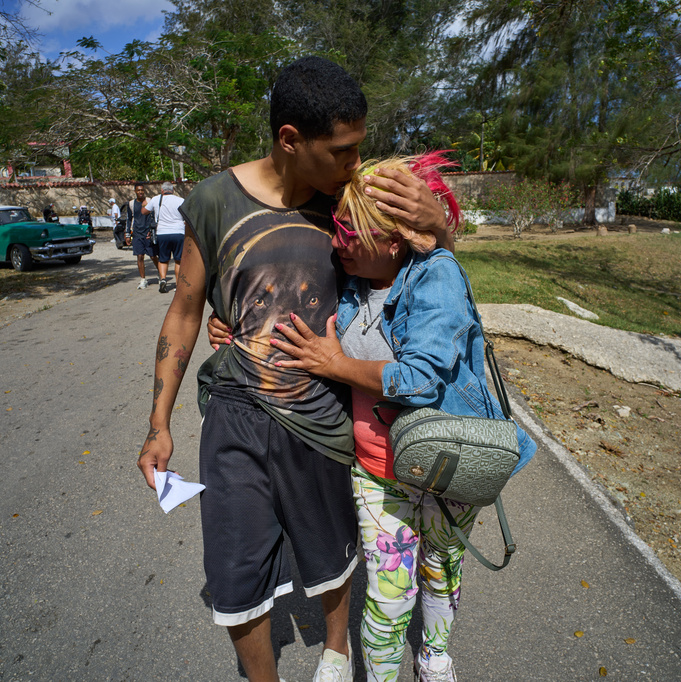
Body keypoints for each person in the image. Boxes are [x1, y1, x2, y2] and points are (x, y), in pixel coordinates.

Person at [136, 56, 448, 682]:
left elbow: (418, 274)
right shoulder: (214, 200)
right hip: (236, 415)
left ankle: (336, 647)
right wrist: (158, 422)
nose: (354, 163)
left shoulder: (350, 199)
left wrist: (437, 225)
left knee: (330, 546)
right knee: (234, 563)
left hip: (324, 418)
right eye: (341, 150)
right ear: (289, 140)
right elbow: (185, 311)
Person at [270, 154, 537, 682]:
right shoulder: (349, 282)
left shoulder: (436, 276)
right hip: (376, 471)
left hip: (450, 466)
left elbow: (421, 378)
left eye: (351, 233)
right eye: (337, 229)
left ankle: (435, 656)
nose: (337, 241)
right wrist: (232, 326)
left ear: (393, 242)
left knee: (442, 571)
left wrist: (338, 364)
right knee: (389, 599)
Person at [142, 181, 186, 293]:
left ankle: (162, 279)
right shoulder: (180, 200)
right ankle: (178, 284)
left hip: (162, 233)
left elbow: (144, 211)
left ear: (162, 190)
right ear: (173, 190)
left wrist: (144, 204)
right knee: (178, 260)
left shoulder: (156, 199)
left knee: (163, 259)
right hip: (179, 232)